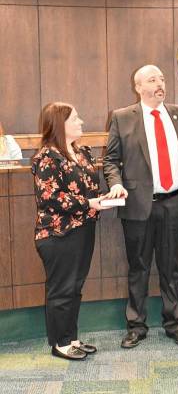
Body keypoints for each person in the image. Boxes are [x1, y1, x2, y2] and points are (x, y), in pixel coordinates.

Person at [103, 65, 178, 349]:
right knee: (138, 267)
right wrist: (115, 183)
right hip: (138, 205)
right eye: (152, 79)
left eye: (162, 79)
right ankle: (136, 325)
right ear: (138, 86)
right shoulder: (122, 118)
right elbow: (110, 160)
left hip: (174, 203)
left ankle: (174, 323)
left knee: (171, 267)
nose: (160, 83)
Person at [32, 102, 110, 361]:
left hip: (83, 229)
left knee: (74, 287)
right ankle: (60, 343)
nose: (81, 122)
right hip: (58, 234)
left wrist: (108, 197)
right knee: (61, 289)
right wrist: (89, 203)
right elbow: (51, 198)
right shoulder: (46, 157)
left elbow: (90, 190)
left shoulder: (82, 152)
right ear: (59, 124)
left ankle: (72, 337)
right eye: (75, 118)